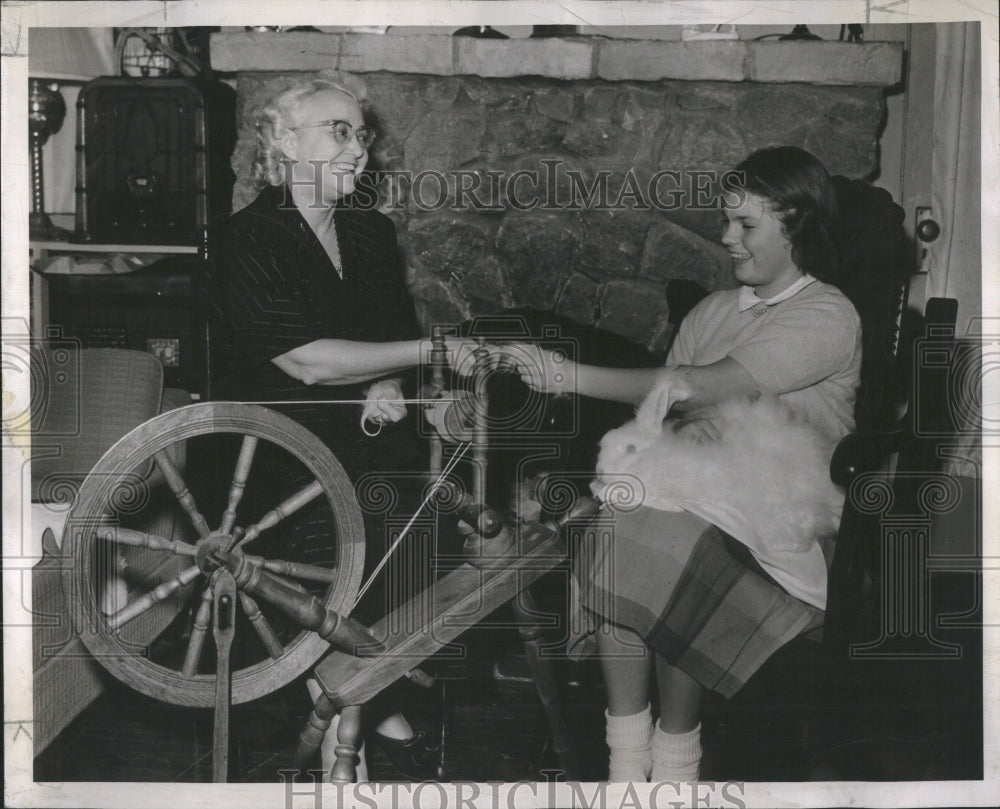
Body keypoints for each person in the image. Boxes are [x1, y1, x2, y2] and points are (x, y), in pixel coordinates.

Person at [499, 146, 862, 781]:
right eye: (727, 221)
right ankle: (626, 760)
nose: (727, 238)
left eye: (746, 225)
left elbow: (696, 385)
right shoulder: (714, 311)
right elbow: (661, 421)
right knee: (622, 519)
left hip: (789, 517)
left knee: (661, 532)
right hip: (696, 496)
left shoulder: (829, 313)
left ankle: (674, 762)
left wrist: (565, 374)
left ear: (797, 223)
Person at [208, 69, 467, 780]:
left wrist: (387, 382)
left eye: (363, 135)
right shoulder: (248, 237)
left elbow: (382, 337)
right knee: (342, 526)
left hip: (356, 440)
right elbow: (308, 364)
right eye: (340, 131)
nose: (360, 149)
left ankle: (365, 689)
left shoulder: (370, 233)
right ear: (286, 144)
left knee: (416, 508)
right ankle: (362, 706)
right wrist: (431, 351)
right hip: (268, 457)